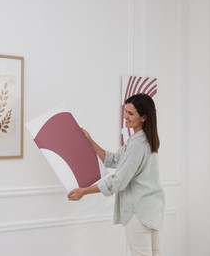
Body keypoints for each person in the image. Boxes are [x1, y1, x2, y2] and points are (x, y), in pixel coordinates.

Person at [68, 93, 165, 256]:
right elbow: (114, 159)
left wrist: (84, 191)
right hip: (152, 209)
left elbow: (118, 181)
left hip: (138, 212)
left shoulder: (137, 145)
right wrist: (90, 141)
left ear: (144, 117)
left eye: (131, 113)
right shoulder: (144, 140)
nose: (125, 117)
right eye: (125, 112)